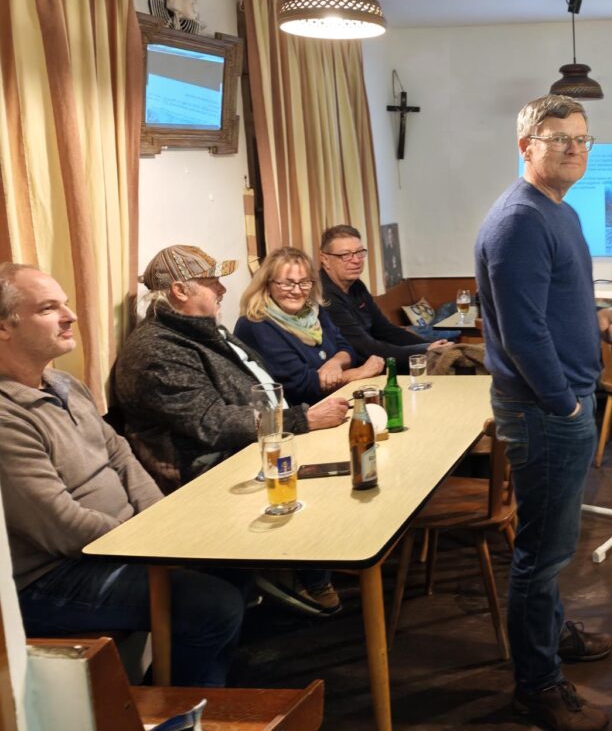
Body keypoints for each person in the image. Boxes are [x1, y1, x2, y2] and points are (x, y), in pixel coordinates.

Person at [475, 94, 612, 731]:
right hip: (545, 411)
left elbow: (549, 302)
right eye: (558, 137)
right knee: (541, 554)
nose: (574, 148)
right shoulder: (520, 220)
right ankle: (537, 685)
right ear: (527, 146)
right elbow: (522, 333)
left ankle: (550, 634)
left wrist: (599, 316)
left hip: (557, 403)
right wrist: (566, 405)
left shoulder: (558, 211)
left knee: (551, 548)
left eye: (582, 138)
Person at [0, 263, 244, 685]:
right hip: (48, 578)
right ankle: (170, 710)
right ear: (4, 327)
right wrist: (145, 541)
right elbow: (60, 526)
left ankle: (188, 696)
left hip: (118, 543)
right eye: (48, 308)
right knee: (211, 605)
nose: (70, 316)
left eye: (66, 304)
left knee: (232, 564)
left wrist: (160, 522)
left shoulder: (64, 384)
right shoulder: (7, 416)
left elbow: (120, 455)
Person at [114, 245, 348, 615]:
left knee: (343, 454)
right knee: (325, 468)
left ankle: (314, 562)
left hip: (255, 443)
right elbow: (212, 422)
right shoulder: (156, 350)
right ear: (180, 290)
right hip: (207, 469)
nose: (222, 289)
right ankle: (305, 576)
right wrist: (301, 420)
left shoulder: (201, 330)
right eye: (212, 282)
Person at [235, 247, 385, 408]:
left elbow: (346, 348)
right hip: (299, 416)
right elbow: (303, 387)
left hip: (334, 402)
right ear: (267, 284)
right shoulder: (256, 324)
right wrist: (360, 372)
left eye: (304, 282)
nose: (297, 290)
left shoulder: (312, 312)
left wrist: (335, 363)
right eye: (287, 283)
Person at [317, 224, 453, 364]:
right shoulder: (324, 295)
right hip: (354, 366)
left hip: (375, 356)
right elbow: (363, 347)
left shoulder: (357, 285)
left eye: (359, 252)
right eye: (345, 255)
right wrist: (425, 351)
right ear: (325, 259)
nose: (356, 260)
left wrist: (429, 345)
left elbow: (384, 329)